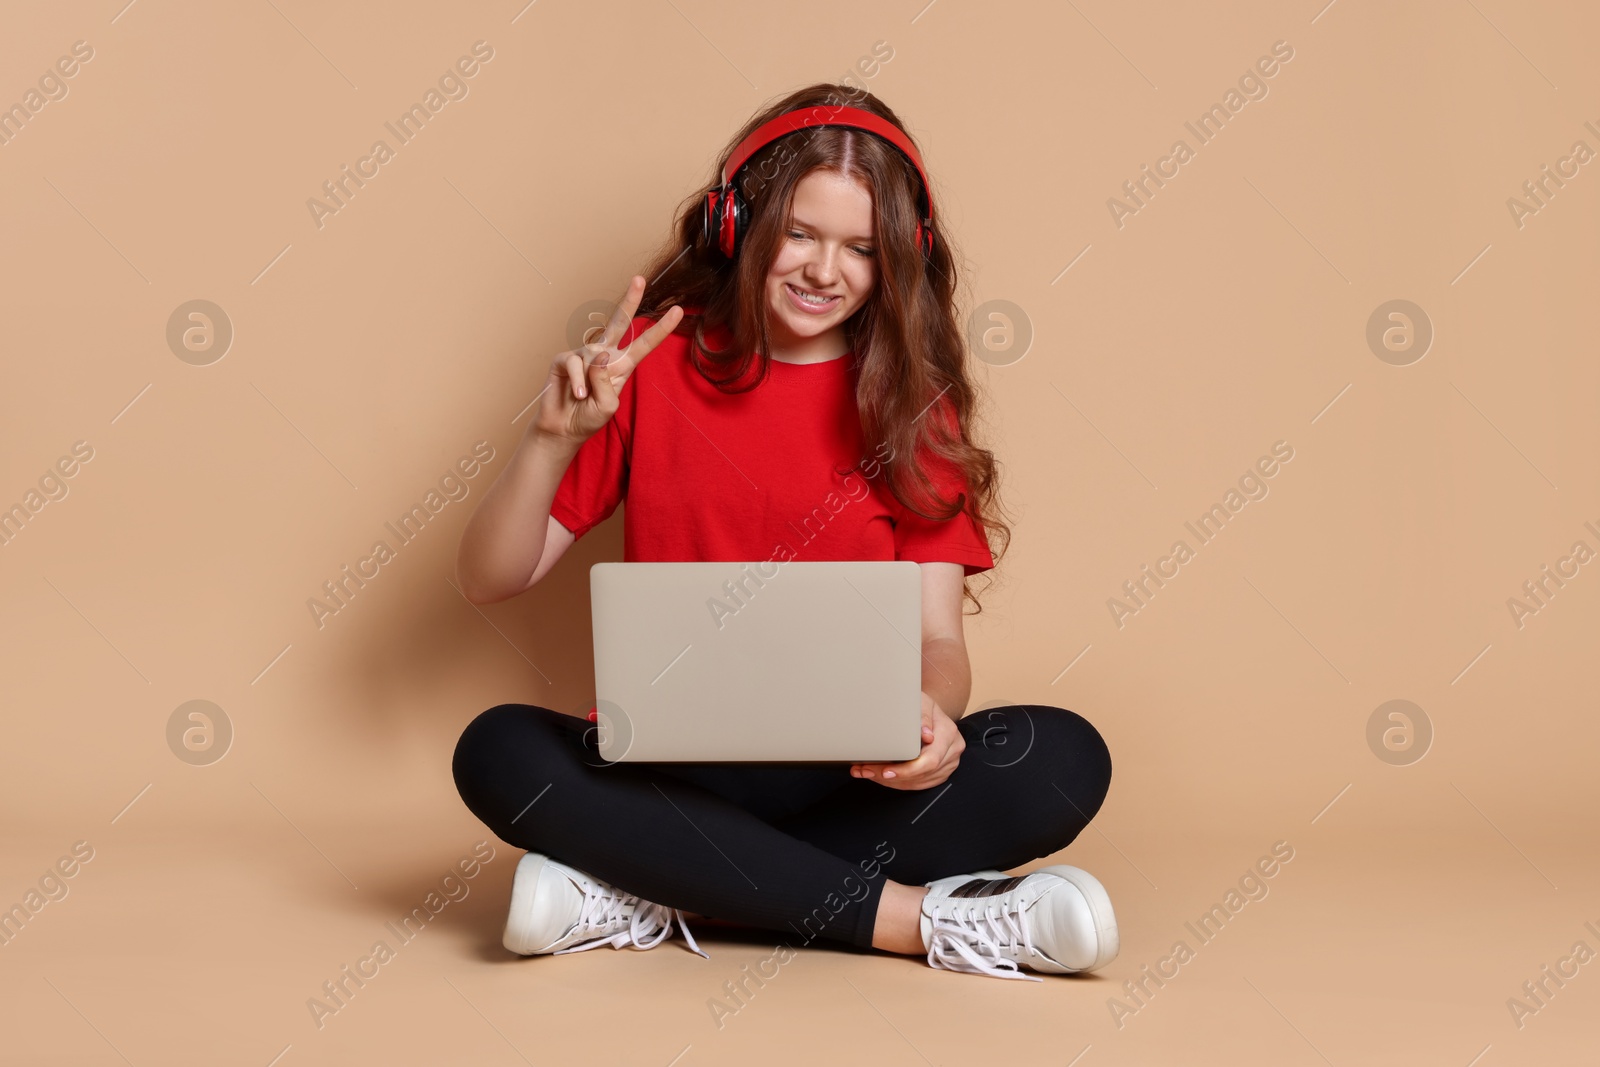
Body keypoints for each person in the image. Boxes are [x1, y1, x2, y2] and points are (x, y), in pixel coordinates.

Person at [451, 84, 1117, 981]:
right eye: (800, 233)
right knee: (496, 749)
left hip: (846, 778)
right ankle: (920, 922)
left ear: (899, 262)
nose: (823, 270)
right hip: (679, 773)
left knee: (1062, 756)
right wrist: (547, 440)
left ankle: (653, 886)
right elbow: (492, 576)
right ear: (738, 225)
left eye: (861, 249)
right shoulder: (648, 366)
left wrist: (933, 715)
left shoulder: (915, 407)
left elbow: (937, 640)